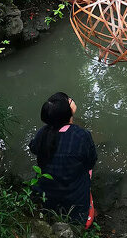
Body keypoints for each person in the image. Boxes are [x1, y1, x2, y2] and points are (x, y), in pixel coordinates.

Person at [29, 92, 97, 227]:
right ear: (67, 112)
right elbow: (92, 161)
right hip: (75, 201)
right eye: (68, 100)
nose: (71, 99)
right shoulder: (81, 136)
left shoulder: (42, 133)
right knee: (88, 170)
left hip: (46, 196)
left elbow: (34, 148)